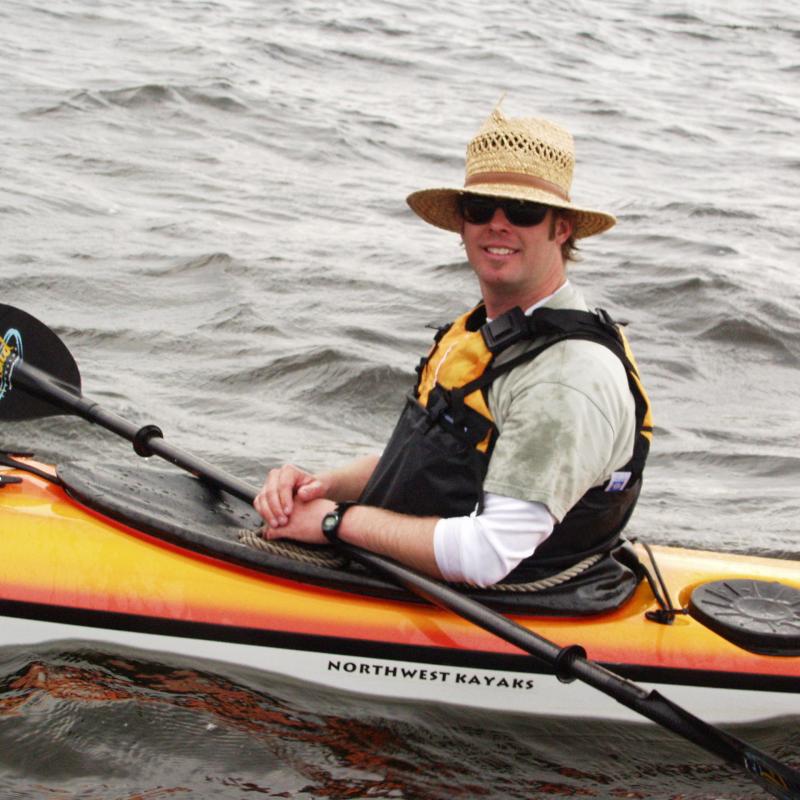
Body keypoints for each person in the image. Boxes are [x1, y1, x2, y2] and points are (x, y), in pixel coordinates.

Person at [254, 104, 651, 589]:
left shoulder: (564, 377)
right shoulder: (492, 329)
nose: (498, 224)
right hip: (416, 569)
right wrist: (321, 486)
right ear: (462, 223)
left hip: (511, 602)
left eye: (523, 211)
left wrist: (334, 522)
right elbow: (433, 467)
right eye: (480, 208)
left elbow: (488, 556)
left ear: (562, 227)